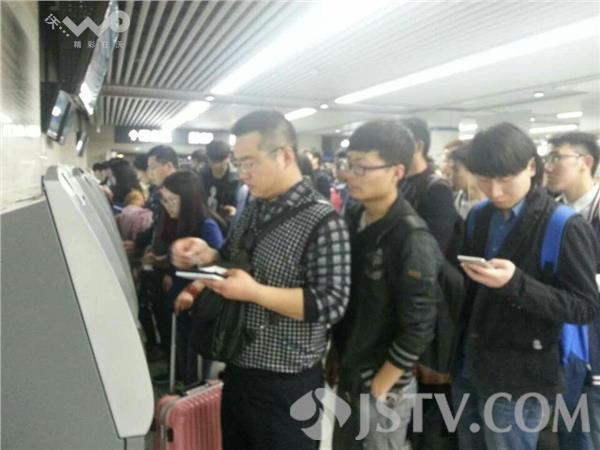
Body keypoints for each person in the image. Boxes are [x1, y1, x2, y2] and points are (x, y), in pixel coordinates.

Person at [171, 110, 351, 450]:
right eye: (239, 163)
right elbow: (232, 256)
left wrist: (255, 293)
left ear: (285, 156)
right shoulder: (254, 207)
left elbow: (332, 303)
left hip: (288, 384)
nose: (243, 174)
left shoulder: (323, 220)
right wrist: (207, 254)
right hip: (238, 371)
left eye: (250, 163)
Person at [452, 122, 600, 450]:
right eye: (484, 179)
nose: (494, 191)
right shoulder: (479, 217)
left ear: (531, 167)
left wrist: (516, 283)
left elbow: (585, 307)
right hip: (469, 362)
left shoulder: (563, 225)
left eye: (505, 179)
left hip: (519, 377)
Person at [329, 119, 442, 450]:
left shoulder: (411, 236)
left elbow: (420, 325)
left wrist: (382, 384)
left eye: (362, 168)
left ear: (397, 172)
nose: (350, 175)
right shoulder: (354, 217)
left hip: (384, 384)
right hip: (351, 370)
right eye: (349, 165)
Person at [545, 131, 600, 450]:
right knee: (570, 427)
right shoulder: (549, 213)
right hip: (562, 341)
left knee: (590, 430)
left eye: (557, 158)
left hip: (595, 340)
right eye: (547, 158)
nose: (549, 167)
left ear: (585, 162)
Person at [157, 171, 224, 385]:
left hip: (199, 304)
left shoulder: (207, 226)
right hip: (182, 299)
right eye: (165, 201)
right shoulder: (178, 223)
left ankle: (191, 391)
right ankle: (181, 383)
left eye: (172, 201)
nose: (168, 207)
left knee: (195, 356)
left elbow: (219, 268)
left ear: (188, 200)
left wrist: (192, 290)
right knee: (183, 347)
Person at [200, 140, 240, 222]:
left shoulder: (238, 179)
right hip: (204, 222)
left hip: (227, 223)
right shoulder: (201, 176)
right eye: (213, 161)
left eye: (220, 161)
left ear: (229, 157)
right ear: (208, 158)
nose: (216, 166)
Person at [448, 144, 486, 219]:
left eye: (456, 170)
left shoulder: (490, 204)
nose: (451, 175)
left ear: (472, 169)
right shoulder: (456, 200)